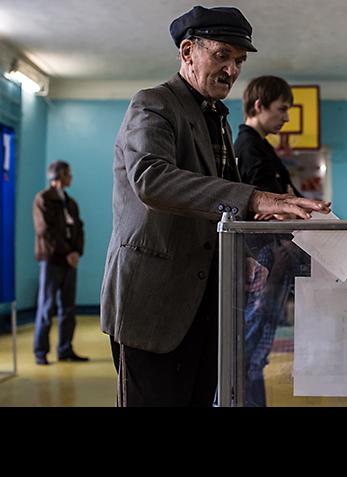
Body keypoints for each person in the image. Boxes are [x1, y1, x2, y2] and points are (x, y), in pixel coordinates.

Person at [100, 5, 330, 407]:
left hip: (207, 305)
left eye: (239, 60)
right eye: (221, 55)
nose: (232, 70)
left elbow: (213, 205)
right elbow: (151, 179)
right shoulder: (153, 103)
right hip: (153, 307)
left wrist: (251, 235)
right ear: (187, 52)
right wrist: (254, 196)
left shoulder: (215, 119)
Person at [233, 75, 305, 407]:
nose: (287, 117)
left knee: (253, 359)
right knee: (246, 358)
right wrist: (284, 206)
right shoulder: (249, 148)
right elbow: (273, 209)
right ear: (259, 106)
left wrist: (288, 204)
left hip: (269, 265)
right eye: (282, 109)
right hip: (260, 267)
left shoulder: (261, 148)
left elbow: (288, 202)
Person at [32, 160, 87, 365]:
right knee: (46, 307)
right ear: (57, 176)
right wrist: (67, 253)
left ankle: (65, 350)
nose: (71, 177)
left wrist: (76, 252)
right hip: (52, 260)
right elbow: (45, 231)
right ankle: (41, 352)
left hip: (69, 261)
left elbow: (79, 228)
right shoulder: (42, 199)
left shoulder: (71, 203)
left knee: (68, 308)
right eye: (68, 173)